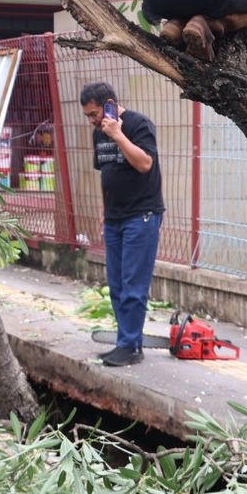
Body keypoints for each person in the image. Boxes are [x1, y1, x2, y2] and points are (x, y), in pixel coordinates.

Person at [80, 82, 163, 368]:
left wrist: (117, 134)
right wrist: (105, 211)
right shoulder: (98, 133)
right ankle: (126, 343)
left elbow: (144, 164)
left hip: (141, 215)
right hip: (114, 218)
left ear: (110, 104)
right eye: (88, 116)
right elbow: (108, 173)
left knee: (133, 285)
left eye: (94, 114)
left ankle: (129, 346)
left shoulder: (138, 124)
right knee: (116, 285)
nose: (92, 120)